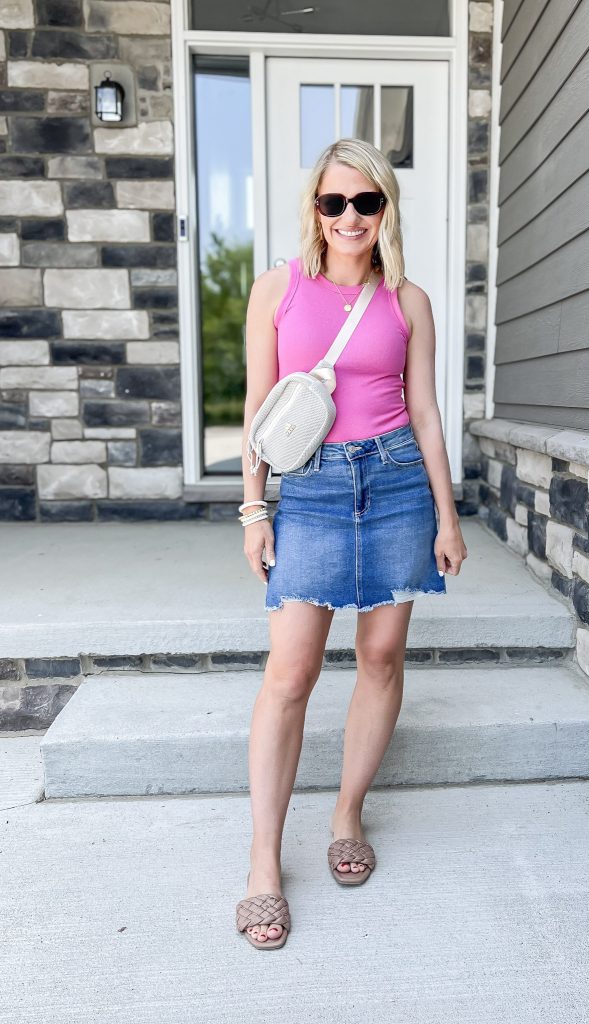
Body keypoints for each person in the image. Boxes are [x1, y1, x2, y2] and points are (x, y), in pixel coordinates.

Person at [235, 138, 468, 949]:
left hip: (398, 482)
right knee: (290, 672)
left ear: (384, 210)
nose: (347, 218)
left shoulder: (409, 300)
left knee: (379, 660)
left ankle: (345, 814)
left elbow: (428, 415)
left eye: (364, 203)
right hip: (312, 490)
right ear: (314, 209)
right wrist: (252, 508)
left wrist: (446, 513)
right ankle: (265, 862)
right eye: (333, 203)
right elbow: (260, 408)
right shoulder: (279, 289)